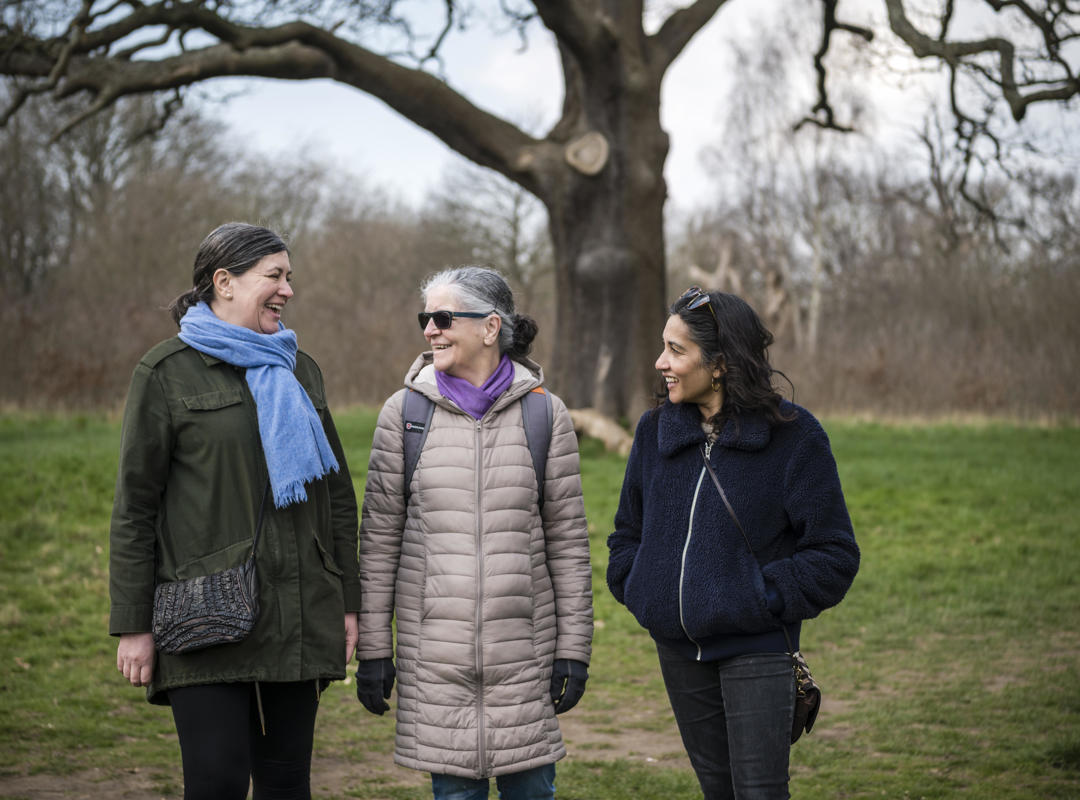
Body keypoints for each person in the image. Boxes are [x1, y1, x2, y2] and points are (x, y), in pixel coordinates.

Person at [109, 222, 360, 800]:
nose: (288, 290)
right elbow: (135, 507)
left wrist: (349, 601)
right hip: (206, 618)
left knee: (286, 783)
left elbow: (336, 498)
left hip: (299, 613)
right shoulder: (165, 372)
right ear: (224, 282)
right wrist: (133, 623)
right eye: (274, 276)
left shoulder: (300, 369)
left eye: (289, 277)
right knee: (216, 782)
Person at [606, 288, 860, 800]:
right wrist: (641, 586)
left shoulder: (796, 437)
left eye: (676, 350)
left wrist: (761, 598)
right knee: (717, 791)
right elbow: (627, 533)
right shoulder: (654, 431)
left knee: (759, 793)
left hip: (757, 648)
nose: (660, 363)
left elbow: (833, 553)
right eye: (663, 347)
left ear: (720, 364)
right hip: (678, 653)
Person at [356, 266, 593, 800]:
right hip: (435, 662)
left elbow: (568, 545)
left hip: (524, 658)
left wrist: (573, 651)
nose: (429, 330)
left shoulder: (545, 414)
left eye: (442, 318)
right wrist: (373, 650)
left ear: (490, 327)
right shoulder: (404, 414)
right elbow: (378, 545)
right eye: (425, 318)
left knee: (532, 793)